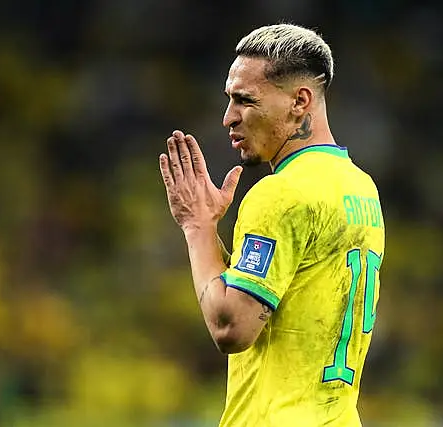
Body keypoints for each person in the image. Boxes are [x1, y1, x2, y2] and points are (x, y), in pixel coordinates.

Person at [159, 23, 385, 427]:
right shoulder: (361, 188)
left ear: (300, 101)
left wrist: (197, 227)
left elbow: (232, 326)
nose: (229, 117)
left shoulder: (280, 194)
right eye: (229, 100)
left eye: (244, 100)